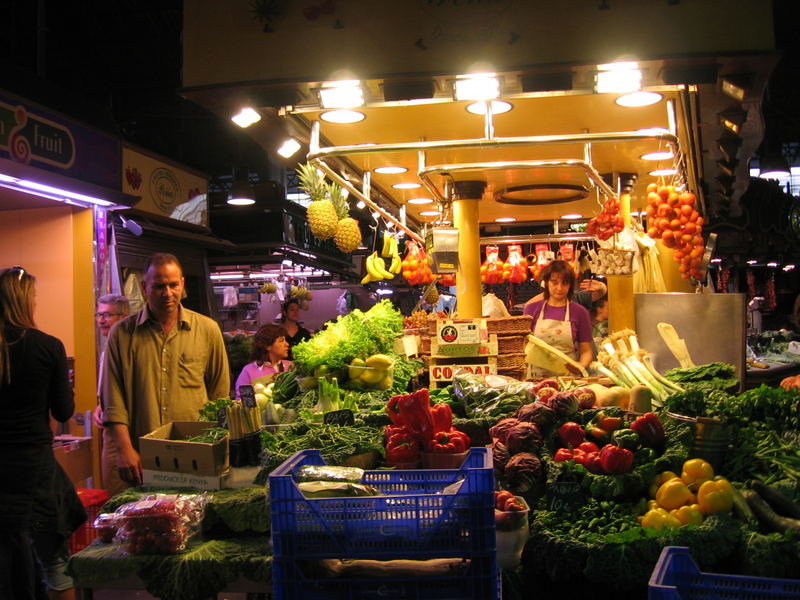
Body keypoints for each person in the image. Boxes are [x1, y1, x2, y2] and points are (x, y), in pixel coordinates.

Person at [101, 253, 230, 487]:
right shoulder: (121, 334)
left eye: (173, 285)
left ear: (182, 283)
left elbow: (219, 396)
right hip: (138, 456)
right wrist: (124, 449)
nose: (167, 293)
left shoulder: (208, 330)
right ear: (144, 287)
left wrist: (216, 449)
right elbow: (113, 399)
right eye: (159, 286)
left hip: (193, 455)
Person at [0, 266, 75, 600]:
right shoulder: (47, 347)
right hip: (35, 472)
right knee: (55, 562)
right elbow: (63, 411)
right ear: (26, 300)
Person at [523, 260, 594, 377]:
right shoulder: (531, 310)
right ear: (546, 283)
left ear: (570, 285)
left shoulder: (580, 312)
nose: (559, 288)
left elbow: (586, 351)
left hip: (568, 378)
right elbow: (523, 345)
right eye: (554, 282)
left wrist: (581, 364)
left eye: (564, 283)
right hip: (536, 378)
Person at [91, 294, 130, 495]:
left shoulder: (130, 348)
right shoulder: (107, 349)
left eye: (106, 315)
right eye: (98, 314)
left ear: (124, 317)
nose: (100, 320)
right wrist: (101, 405)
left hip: (123, 433)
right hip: (109, 430)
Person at [234, 324, 291, 395]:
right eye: (281, 341)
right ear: (267, 346)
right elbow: (244, 401)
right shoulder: (248, 372)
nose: (287, 344)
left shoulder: (291, 367)